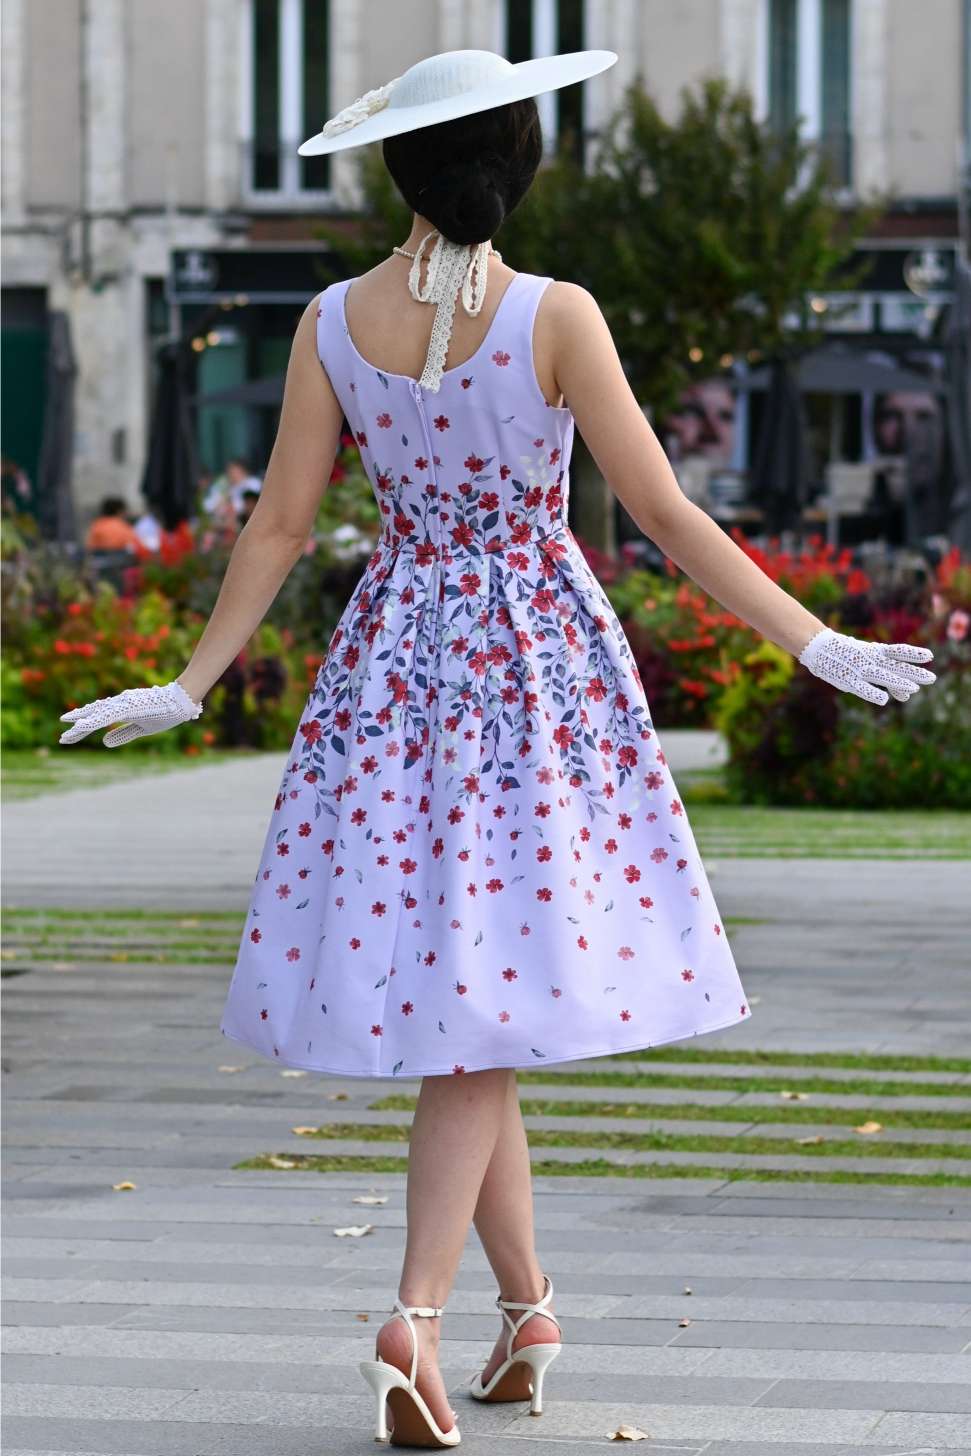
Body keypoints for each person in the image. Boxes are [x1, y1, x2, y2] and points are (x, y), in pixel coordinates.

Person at [56, 48, 937, 1449]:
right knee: (477, 1008)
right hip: (531, 676)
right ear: (518, 167)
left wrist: (191, 677)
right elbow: (661, 512)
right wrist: (806, 635)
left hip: (392, 674)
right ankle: (413, 1316)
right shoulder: (554, 313)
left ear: (400, 172)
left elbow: (278, 526)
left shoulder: (329, 321)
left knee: (478, 1001)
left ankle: (528, 1315)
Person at [84, 496, 151, 558]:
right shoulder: (122, 526)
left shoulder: (96, 526)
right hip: (121, 561)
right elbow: (137, 545)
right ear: (119, 511)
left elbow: (90, 547)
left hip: (99, 561)